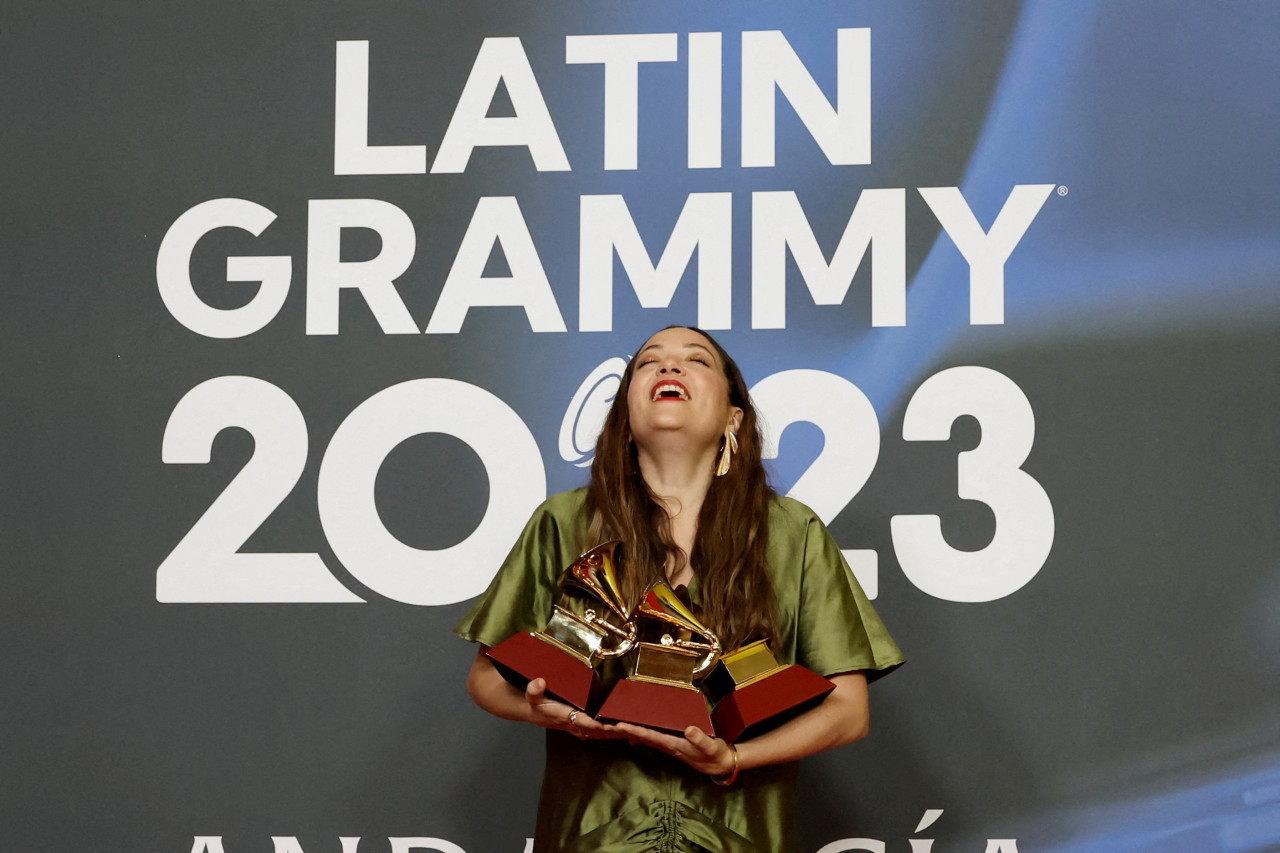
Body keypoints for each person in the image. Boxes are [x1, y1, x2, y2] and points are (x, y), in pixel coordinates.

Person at [456, 326, 904, 852]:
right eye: (649, 362)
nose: (669, 368)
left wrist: (733, 760)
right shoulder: (562, 522)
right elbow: (486, 678)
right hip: (596, 836)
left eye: (697, 360)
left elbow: (848, 710)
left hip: (737, 838)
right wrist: (549, 711)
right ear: (624, 416)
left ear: (733, 416)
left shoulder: (793, 531)